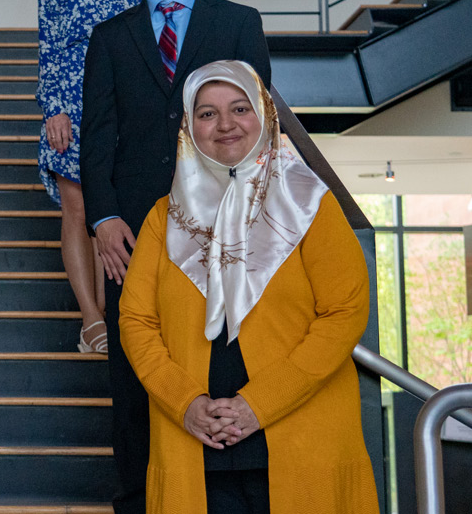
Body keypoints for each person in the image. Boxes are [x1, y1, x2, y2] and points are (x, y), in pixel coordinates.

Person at [80, 0, 271, 514]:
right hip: (133, 230)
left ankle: (217, 492)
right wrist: (103, 218)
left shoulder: (239, 23)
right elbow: (97, 133)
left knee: (218, 355)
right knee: (137, 363)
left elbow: (259, 125)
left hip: (223, 222)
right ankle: (139, 496)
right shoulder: (110, 36)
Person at [118, 60, 377, 513]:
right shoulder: (164, 218)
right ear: (188, 127)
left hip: (303, 437)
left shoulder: (309, 204)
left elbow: (345, 310)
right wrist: (186, 402)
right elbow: (136, 321)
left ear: (265, 115)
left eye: (240, 108)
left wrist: (260, 403)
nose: (225, 125)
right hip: (195, 445)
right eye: (206, 114)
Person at [36, 0, 147, 354]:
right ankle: (91, 320)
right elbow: (50, 46)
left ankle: (123, 314)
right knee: (79, 209)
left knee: (117, 209)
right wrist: (54, 109)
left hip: (126, 107)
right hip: (72, 107)